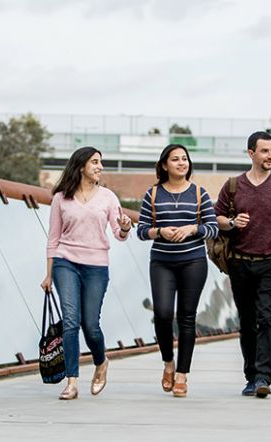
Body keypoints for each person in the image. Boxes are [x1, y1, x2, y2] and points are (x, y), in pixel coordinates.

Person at [40, 146, 132, 400]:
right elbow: (53, 238)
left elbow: (119, 234)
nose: (99, 166)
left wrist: (124, 228)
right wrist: (48, 275)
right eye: (95, 162)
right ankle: (71, 382)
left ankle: (101, 363)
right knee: (71, 321)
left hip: (96, 266)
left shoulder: (108, 198)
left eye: (101, 162)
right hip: (65, 262)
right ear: (81, 166)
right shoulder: (61, 197)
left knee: (90, 325)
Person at [214, 131, 271, 399]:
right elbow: (215, 217)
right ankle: (251, 376)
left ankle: (263, 377)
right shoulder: (233, 186)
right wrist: (230, 222)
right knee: (247, 322)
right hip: (239, 263)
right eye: (265, 151)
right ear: (251, 153)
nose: (270, 156)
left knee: (266, 320)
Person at [136, 144, 219, 398]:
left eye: (185, 159)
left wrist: (193, 229)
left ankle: (182, 375)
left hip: (193, 262)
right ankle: (168, 363)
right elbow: (141, 230)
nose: (181, 163)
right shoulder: (152, 194)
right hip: (161, 261)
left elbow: (213, 228)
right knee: (161, 314)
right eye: (175, 159)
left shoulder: (199, 194)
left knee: (186, 317)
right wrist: (159, 232)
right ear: (164, 165)